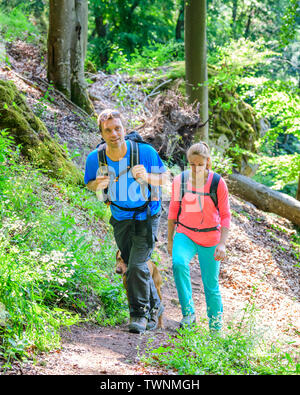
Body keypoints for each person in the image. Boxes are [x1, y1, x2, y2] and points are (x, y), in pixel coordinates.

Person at [84, 109, 167, 334]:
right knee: (133, 266)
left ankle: (139, 315)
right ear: (102, 132)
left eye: (118, 128)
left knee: (137, 266)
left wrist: (147, 177)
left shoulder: (145, 153)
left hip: (147, 215)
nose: (114, 134)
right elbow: (89, 183)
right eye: (108, 130)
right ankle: (156, 306)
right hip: (120, 217)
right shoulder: (96, 158)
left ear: (125, 128)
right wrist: (97, 185)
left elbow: (164, 178)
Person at [167, 142, 231, 333]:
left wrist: (222, 244)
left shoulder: (217, 183)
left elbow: (226, 215)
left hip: (211, 238)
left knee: (210, 285)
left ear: (208, 163)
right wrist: (170, 239)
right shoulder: (181, 180)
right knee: (178, 264)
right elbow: (173, 211)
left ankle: (215, 329)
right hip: (185, 233)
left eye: (199, 164)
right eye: (191, 164)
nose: (195, 169)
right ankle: (189, 314)